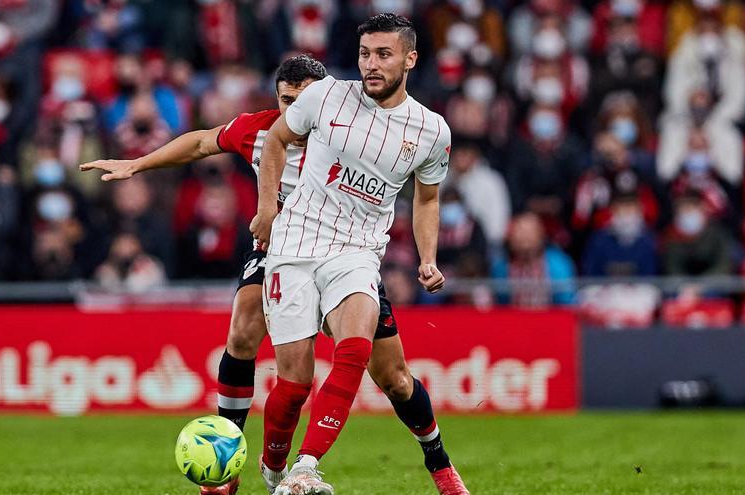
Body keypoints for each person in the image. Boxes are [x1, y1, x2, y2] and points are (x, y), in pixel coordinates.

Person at [81, 54, 466, 495]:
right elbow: (203, 142)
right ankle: (227, 459)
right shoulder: (261, 130)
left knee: (394, 378)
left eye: (303, 100)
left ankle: (440, 464)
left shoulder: (351, 131)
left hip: (346, 254)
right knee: (245, 326)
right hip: (281, 251)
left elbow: (407, 187)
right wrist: (137, 164)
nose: (294, 110)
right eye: (286, 100)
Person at [248, 15, 466, 495]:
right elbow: (277, 141)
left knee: (363, 351)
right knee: (295, 382)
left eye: (383, 54)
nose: (371, 63)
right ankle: (274, 468)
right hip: (296, 245)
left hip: (357, 252)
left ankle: (309, 466)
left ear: (410, 59)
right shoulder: (325, 95)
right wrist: (267, 210)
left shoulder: (431, 130)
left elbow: (426, 198)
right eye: (365, 53)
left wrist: (427, 257)